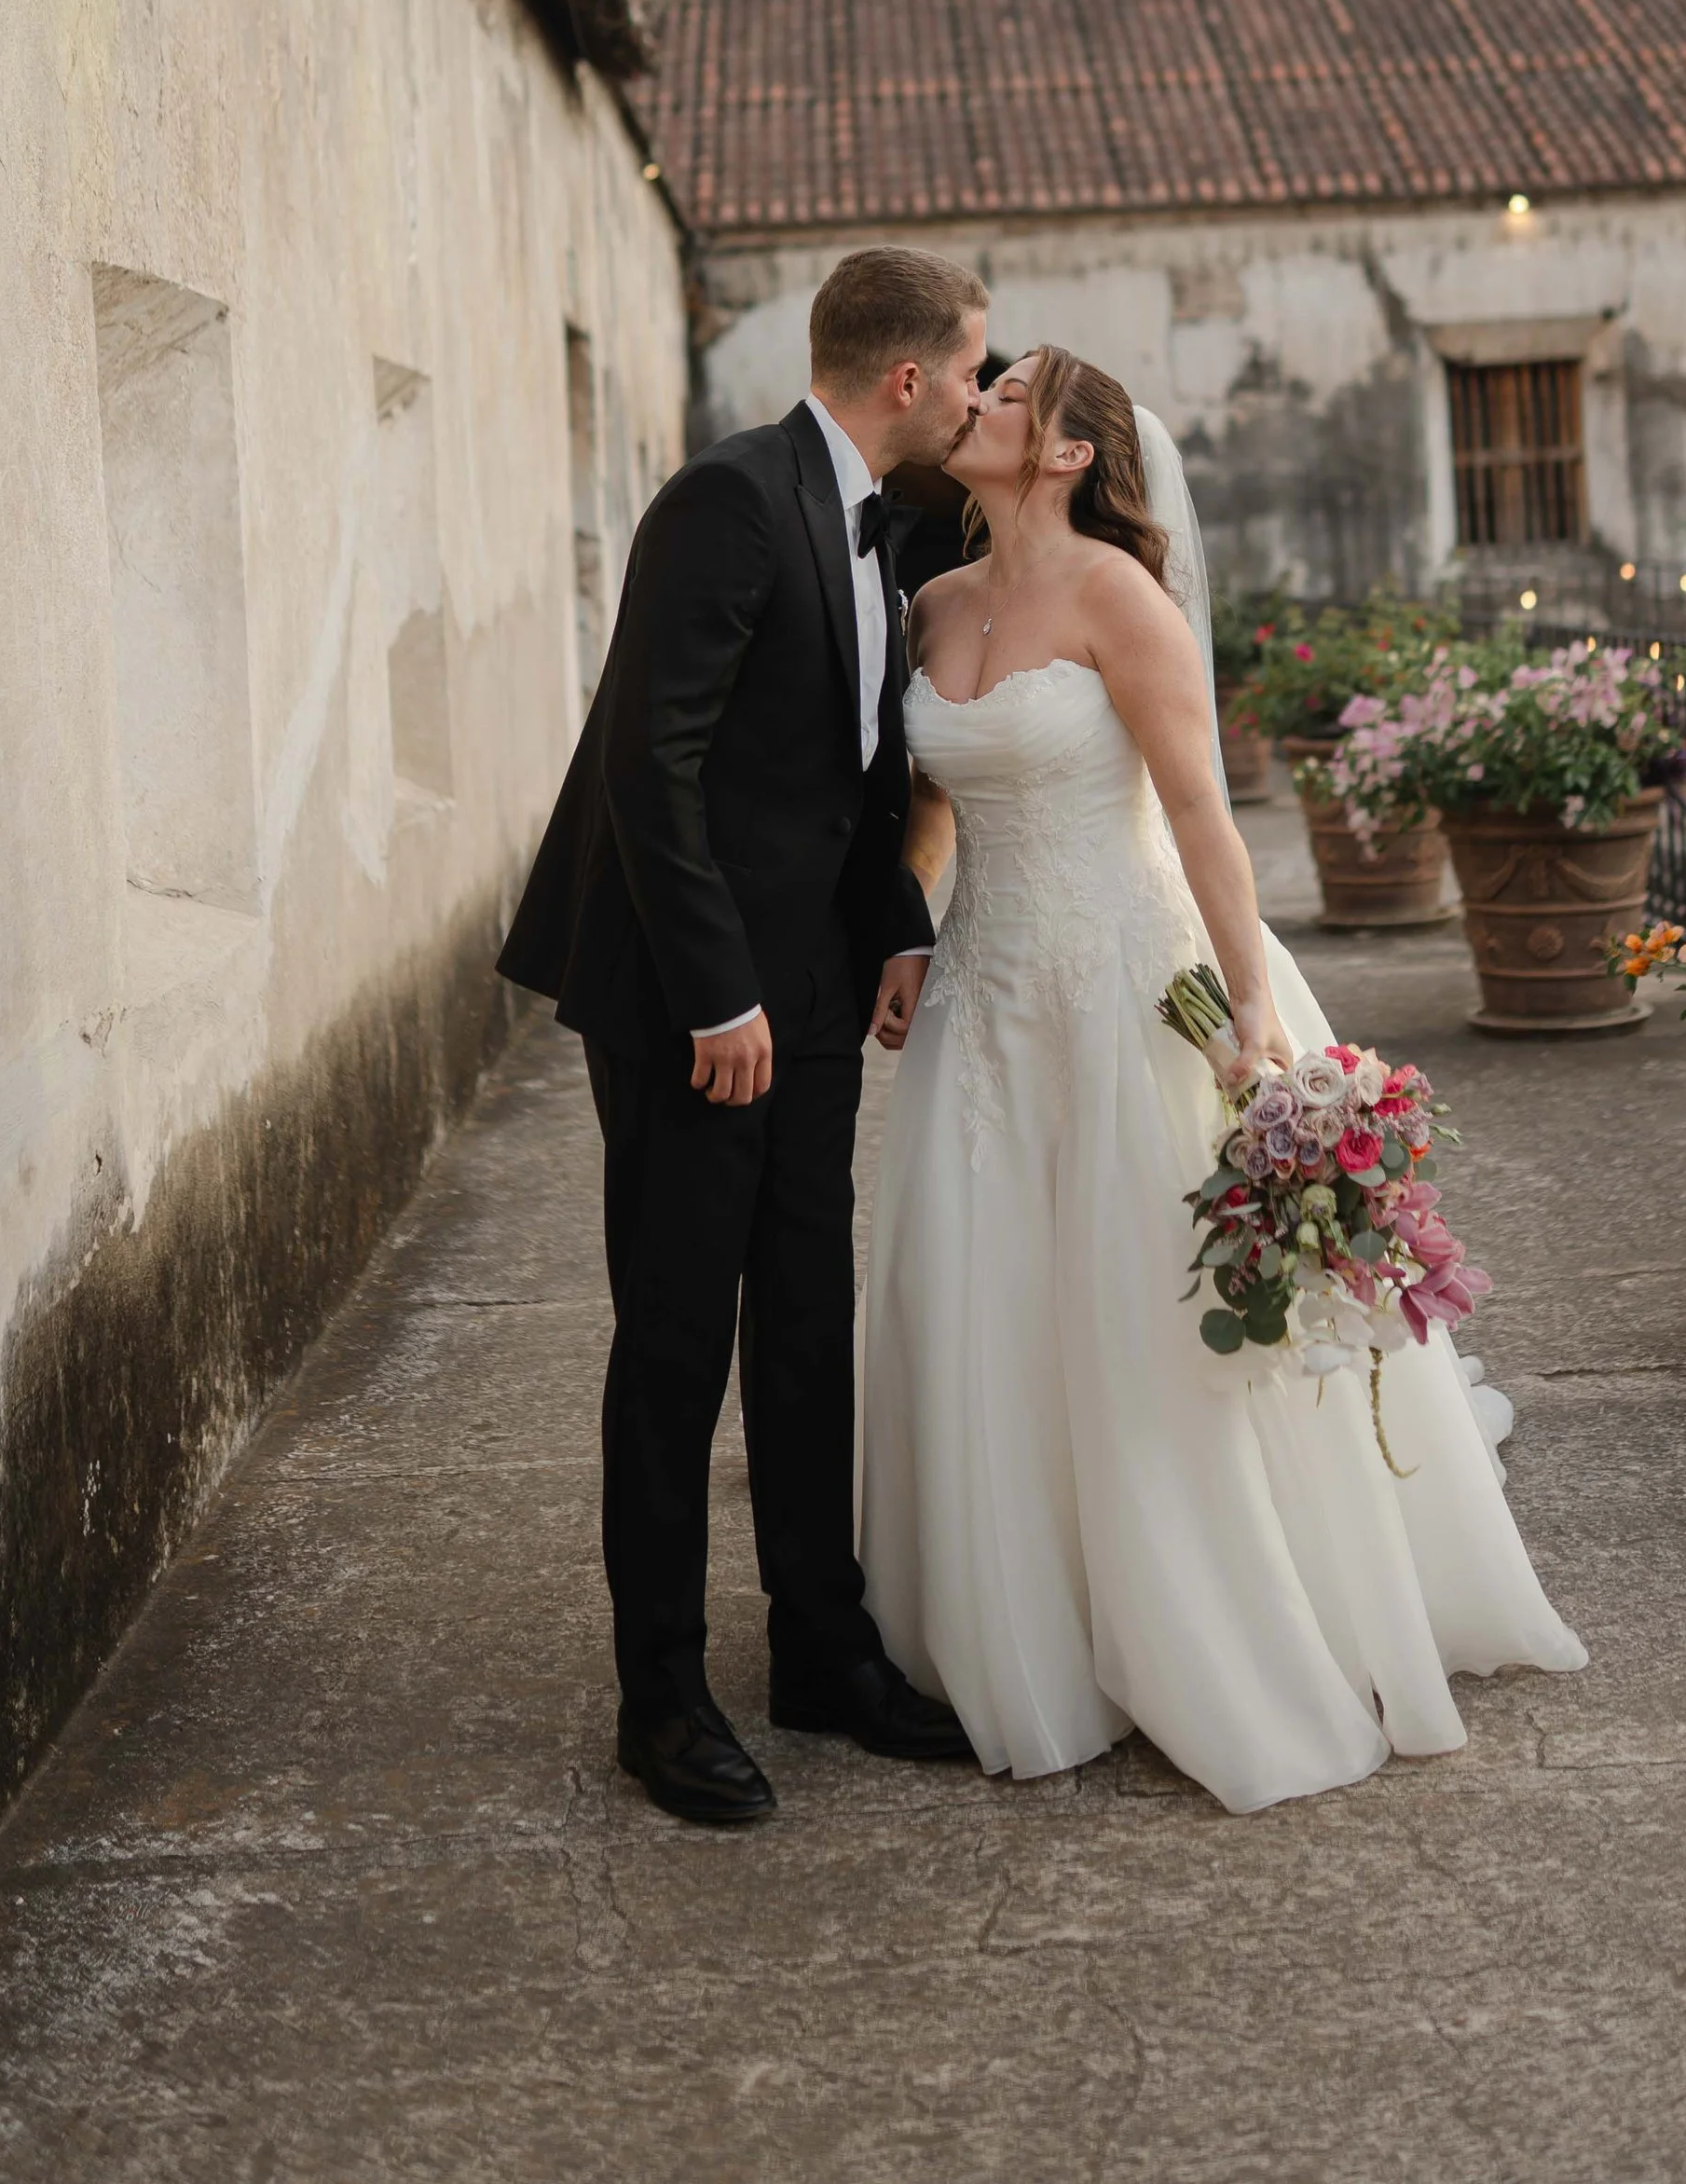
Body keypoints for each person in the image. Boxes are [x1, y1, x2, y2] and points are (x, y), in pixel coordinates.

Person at [859, 347, 1588, 1813]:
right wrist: (904, 928)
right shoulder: (931, 604)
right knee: (986, 1296)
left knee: (1135, 1304)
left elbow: (1200, 809)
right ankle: (1027, 1619)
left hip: (1132, 989)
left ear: (1067, 454)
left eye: (1009, 399)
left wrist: (1253, 1012)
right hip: (985, 1002)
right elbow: (935, 798)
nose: (978, 406)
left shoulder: (1120, 598)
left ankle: (1200, 1618)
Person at [499, 246, 990, 1825]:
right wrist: (720, 995)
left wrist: (893, 931)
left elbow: (846, 776)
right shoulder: (724, 499)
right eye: (972, 368)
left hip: (817, 995)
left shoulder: (891, 524)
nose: (982, 395)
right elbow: (657, 768)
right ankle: (661, 1697)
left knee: (805, 1314)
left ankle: (820, 1648)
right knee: (672, 1342)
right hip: (686, 996)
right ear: (905, 378)